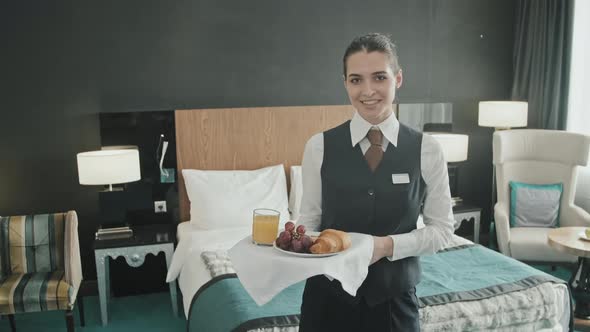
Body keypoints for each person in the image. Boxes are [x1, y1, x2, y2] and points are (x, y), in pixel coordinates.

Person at [297, 33, 455, 331]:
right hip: (327, 299)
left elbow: (442, 231)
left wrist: (385, 246)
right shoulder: (318, 146)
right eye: (356, 80)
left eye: (379, 77)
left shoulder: (428, 149)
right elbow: (309, 221)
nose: (368, 90)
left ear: (398, 79)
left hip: (394, 302)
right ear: (345, 83)